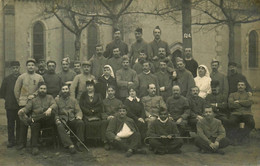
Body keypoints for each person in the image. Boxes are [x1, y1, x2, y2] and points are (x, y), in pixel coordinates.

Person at [17, 82, 56, 155]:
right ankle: (34, 147)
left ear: (46, 90)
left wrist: (50, 108)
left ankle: (32, 120)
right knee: (35, 125)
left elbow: (54, 104)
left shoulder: (50, 97)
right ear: (38, 90)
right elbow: (27, 108)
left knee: (51, 114)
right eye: (41, 88)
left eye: (44, 89)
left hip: (47, 121)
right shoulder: (33, 99)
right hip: (37, 122)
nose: (42, 90)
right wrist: (22, 110)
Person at [14, 58, 44, 150]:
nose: (31, 67)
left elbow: (42, 88)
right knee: (23, 123)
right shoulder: (21, 77)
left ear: (35, 67)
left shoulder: (39, 77)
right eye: (29, 65)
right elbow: (16, 90)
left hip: (35, 103)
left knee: (35, 122)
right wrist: (20, 100)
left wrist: (34, 95)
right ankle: (22, 143)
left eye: (32, 65)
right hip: (24, 103)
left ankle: (35, 142)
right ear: (26, 67)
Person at [55, 84, 85, 154]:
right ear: (61, 91)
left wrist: (78, 116)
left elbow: (78, 110)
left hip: (72, 119)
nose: (65, 91)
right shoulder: (57, 100)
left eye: (66, 89)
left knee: (80, 123)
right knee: (59, 126)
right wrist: (57, 119)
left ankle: (79, 143)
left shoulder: (73, 100)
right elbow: (55, 112)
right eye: (63, 89)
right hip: (62, 119)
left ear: (68, 90)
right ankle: (70, 145)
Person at [0, 61, 21, 148]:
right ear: (11, 69)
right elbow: (2, 93)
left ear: (19, 68)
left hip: (20, 105)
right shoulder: (7, 79)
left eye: (17, 68)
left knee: (20, 124)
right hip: (10, 105)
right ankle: (11, 140)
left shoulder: (22, 77)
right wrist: (9, 99)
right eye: (13, 68)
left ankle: (19, 140)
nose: (15, 70)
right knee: (10, 124)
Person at [102, 85, 123, 150]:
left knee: (115, 122)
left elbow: (120, 111)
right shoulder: (104, 101)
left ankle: (113, 141)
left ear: (114, 92)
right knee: (103, 122)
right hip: (107, 118)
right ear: (107, 92)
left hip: (116, 118)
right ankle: (106, 142)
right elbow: (102, 112)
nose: (110, 92)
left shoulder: (119, 102)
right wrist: (107, 117)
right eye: (109, 91)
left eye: (112, 91)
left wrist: (114, 116)